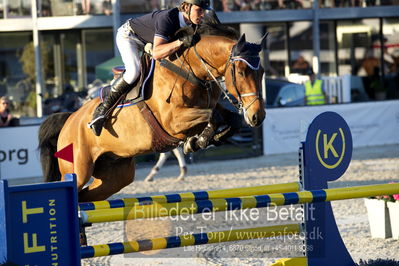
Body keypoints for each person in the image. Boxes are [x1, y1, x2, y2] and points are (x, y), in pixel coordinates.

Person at [88, 0, 211, 136]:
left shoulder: (193, 25)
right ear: (186, 7)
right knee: (133, 71)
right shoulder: (168, 18)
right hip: (129, 37)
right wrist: (180, 42)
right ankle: (102, 109)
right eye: (199, 10)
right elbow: (158, 53)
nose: (203, 15)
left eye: (204, 11)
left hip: (149, 43)